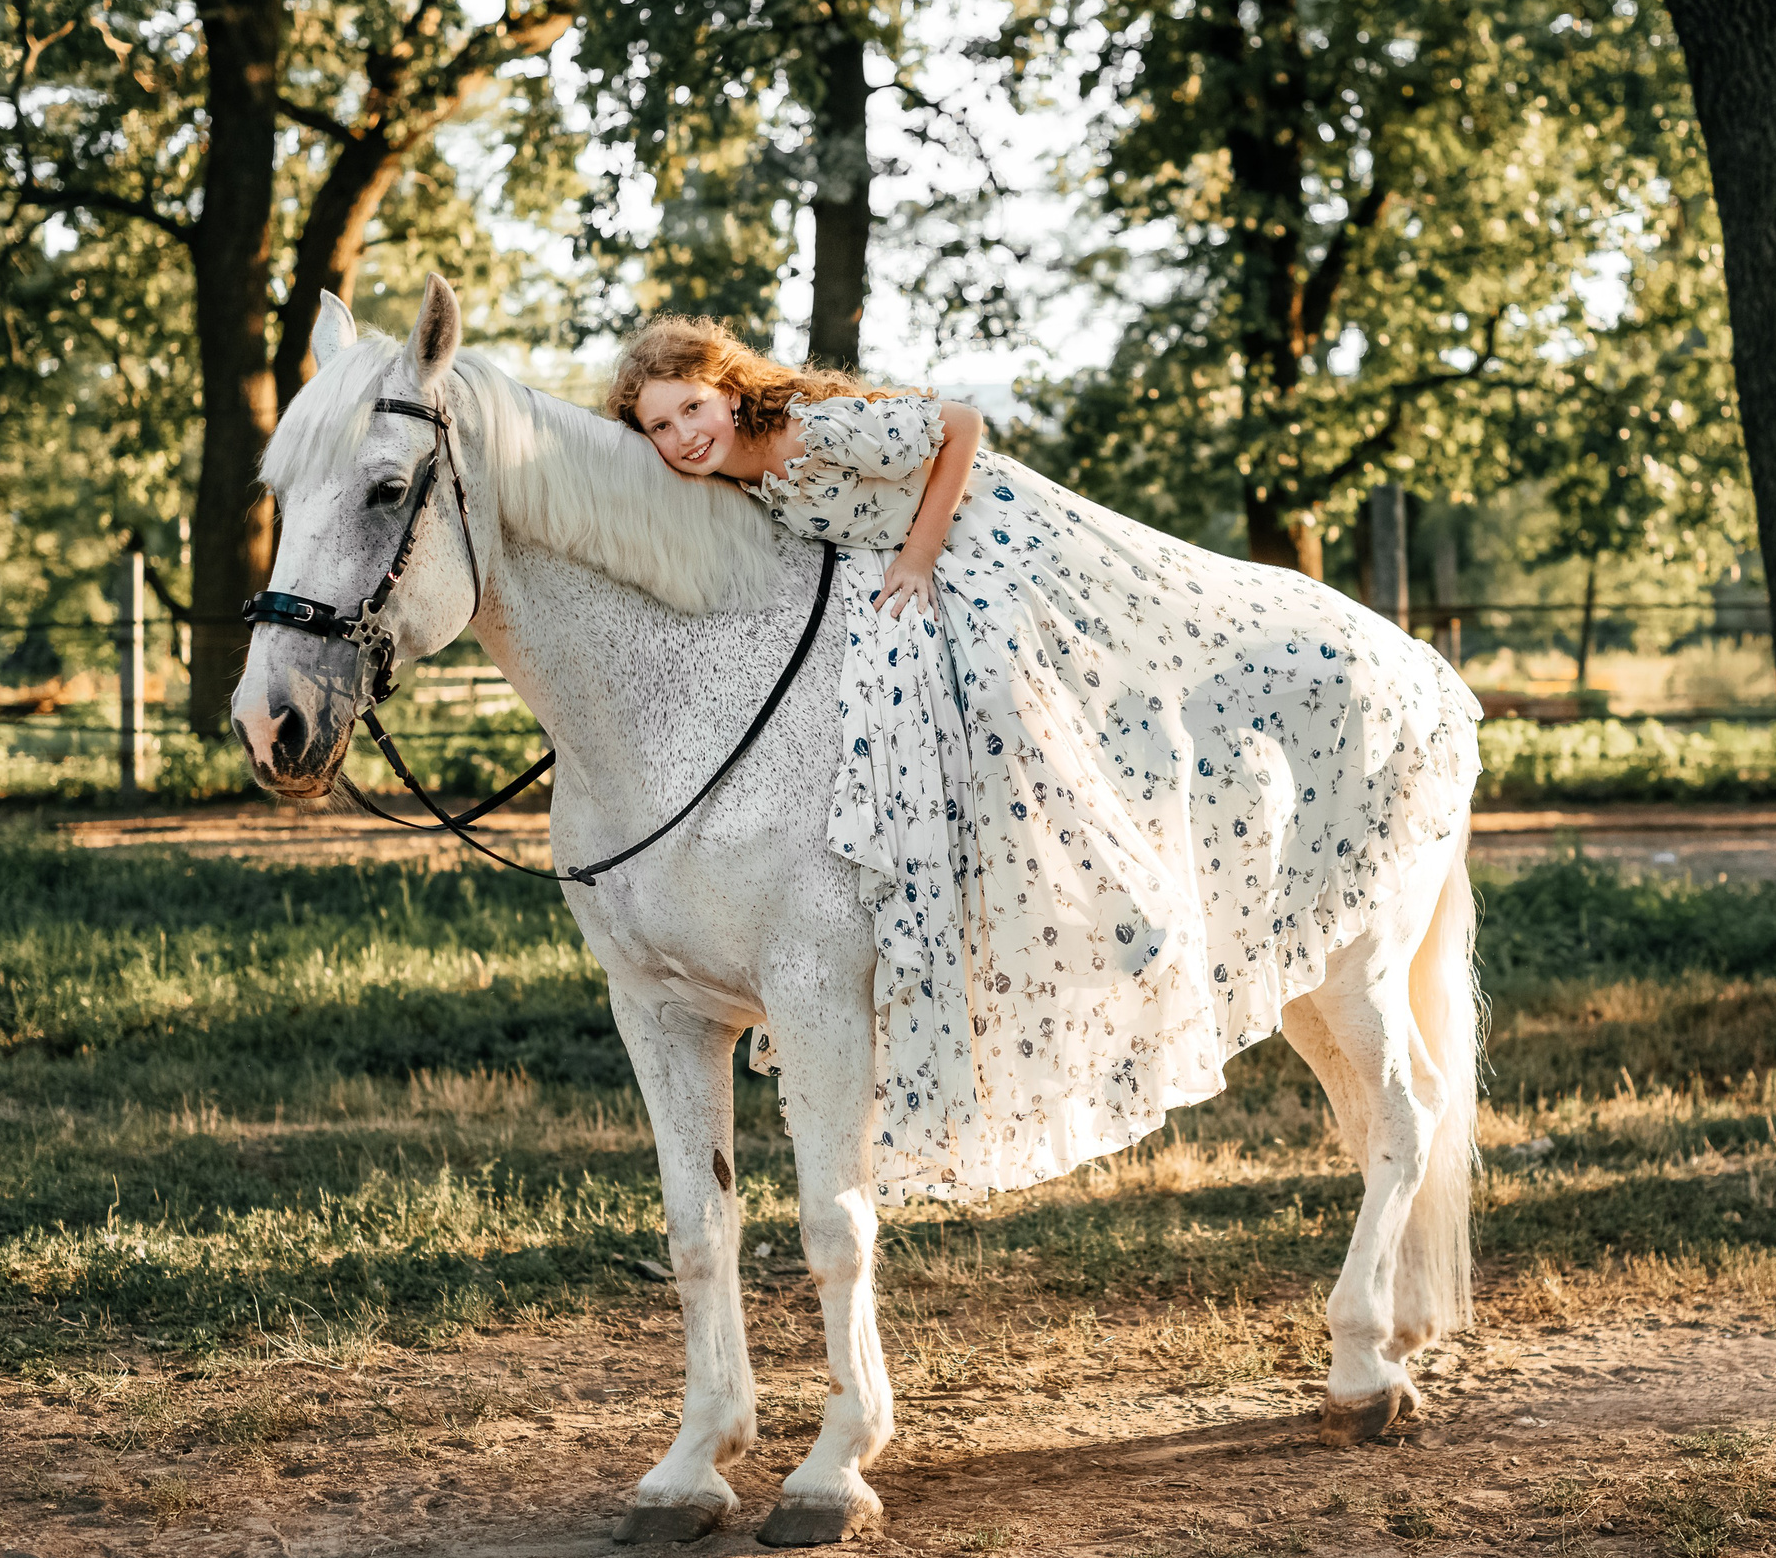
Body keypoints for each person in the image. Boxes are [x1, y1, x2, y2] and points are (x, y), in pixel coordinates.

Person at [609, 318, 1482, 1202]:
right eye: (659, 426)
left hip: (981, 540)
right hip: (898, 570)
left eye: (693, 408)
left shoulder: (807, 430)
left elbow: (958, 425)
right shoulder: (728, 475)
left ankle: (1107, 887)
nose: (684, 436)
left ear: (730, 388)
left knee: (999, 693)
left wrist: (919, 555)